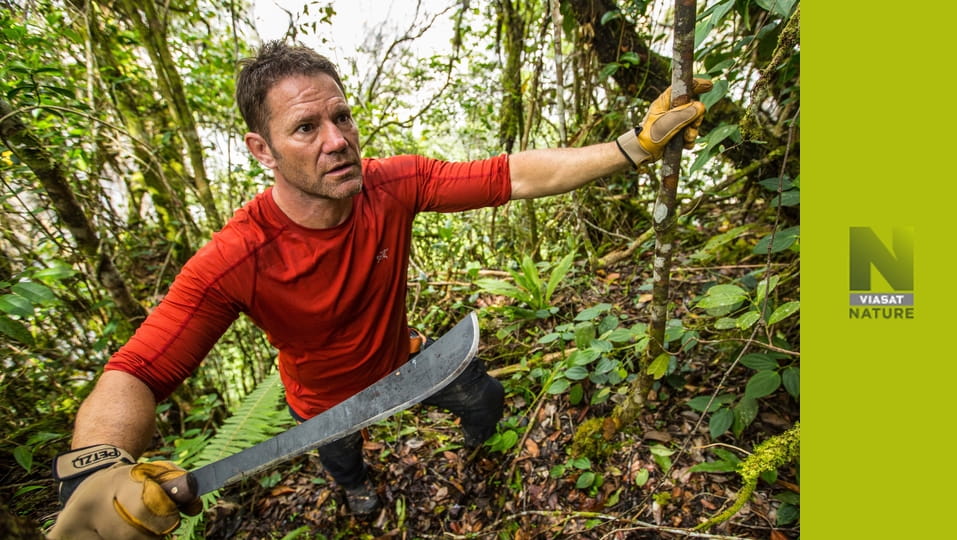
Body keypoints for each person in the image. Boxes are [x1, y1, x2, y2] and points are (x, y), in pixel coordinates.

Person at [46, 41, 711, 538]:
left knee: (488, 399)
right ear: (263, 149)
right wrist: (96, 473)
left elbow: (512, 176)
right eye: (306, 128)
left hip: (411, 363)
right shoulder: (238, 257)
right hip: (323, 404)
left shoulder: (392, 186)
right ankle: (360, 493)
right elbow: (137, 369)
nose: (337, 142)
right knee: (346, 466)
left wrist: (633, 147)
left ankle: (477, 456)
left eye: (341, 117)